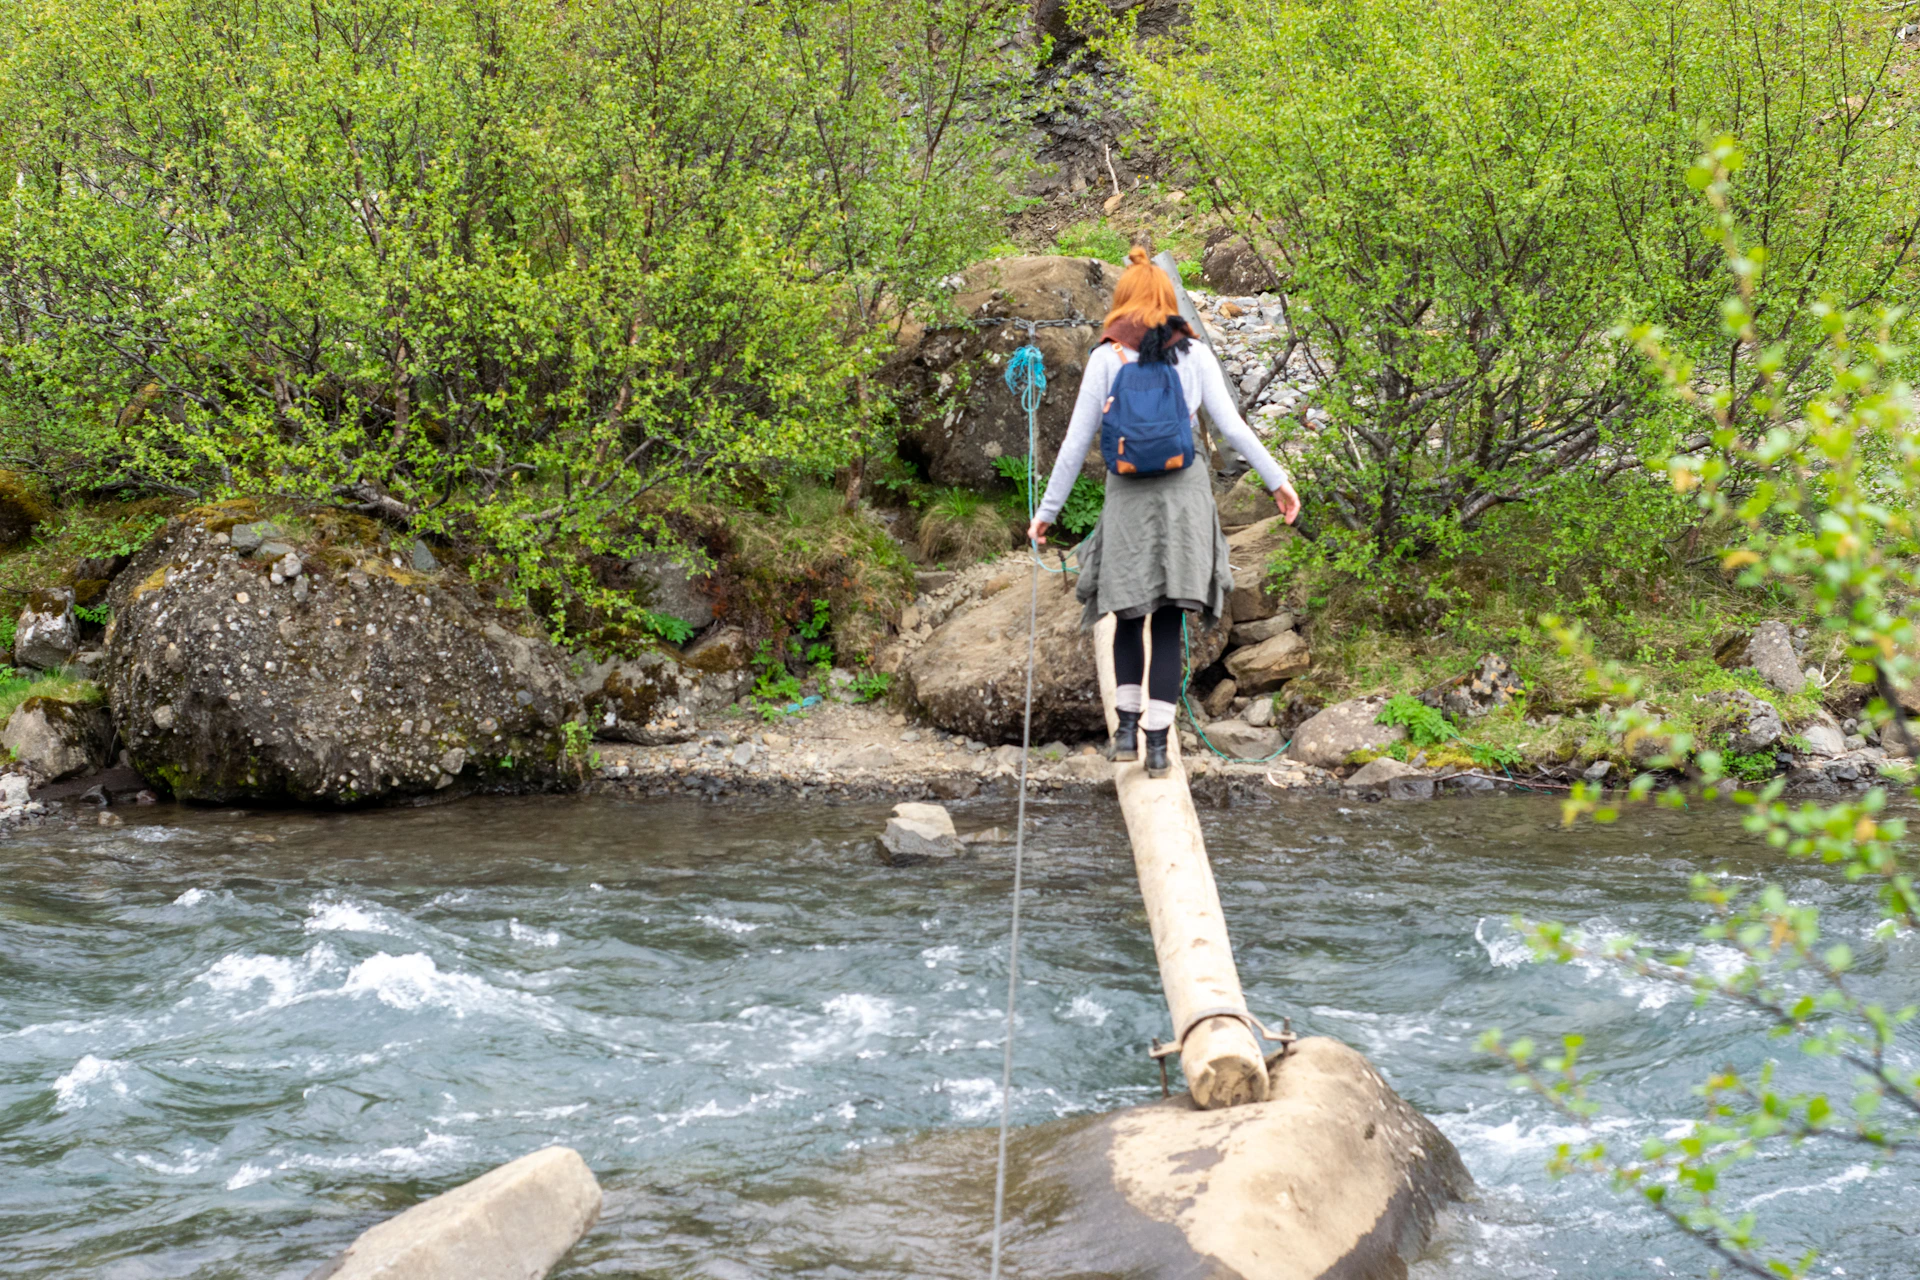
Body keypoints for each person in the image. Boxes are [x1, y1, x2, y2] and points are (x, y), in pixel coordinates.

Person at [1025, 247, 1300, 779]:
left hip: (1127, 497)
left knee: (1128, 612)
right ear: (1168, 301)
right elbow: (1234, 428)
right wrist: (1278, 482)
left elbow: (1075, 443)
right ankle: (1157, 744)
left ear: (1122, 302)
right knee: (1170, 615)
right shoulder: (1192, 354)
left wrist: (1047, 512)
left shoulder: (1107, 358)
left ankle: (1124, 733)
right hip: (1185, 495)